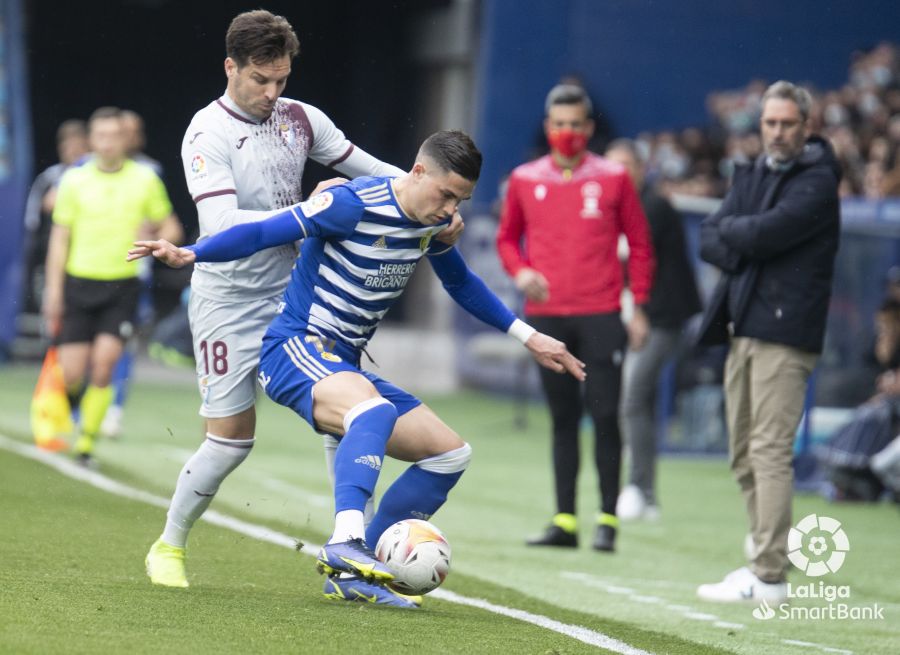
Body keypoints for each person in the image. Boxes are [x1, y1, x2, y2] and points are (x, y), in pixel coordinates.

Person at [131, 129, 585, 608]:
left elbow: (462, 284)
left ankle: (357, 571)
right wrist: (191, 253)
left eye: (462, 200)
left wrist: (529, 336)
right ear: (417, 171)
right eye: (446, 194)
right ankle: (344, 544)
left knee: (450, 454)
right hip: (295, 349)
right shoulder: (350, 204)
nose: (452, 210)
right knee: (359, 416)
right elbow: (267, 231)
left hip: (343, 365)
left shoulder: (432, 223)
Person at [142, 9, 461, 591]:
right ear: (230, 67)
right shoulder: (205, 132)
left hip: (298, 297)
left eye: (281, 80)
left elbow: (384, 173)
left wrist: (433, 201)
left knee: (349, 417)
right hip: (229, 299)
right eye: (260, 80)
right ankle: (170, 542)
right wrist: (310, 212)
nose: (272, 93)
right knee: (231, 440)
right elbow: (217, 227)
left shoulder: (302, 120)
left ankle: (351, 557)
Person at [695, 81, 841, 603]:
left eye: (787, 124)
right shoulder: (754, 171)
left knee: (770, 451)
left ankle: (770, 574)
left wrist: (741, 233)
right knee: (742, 453)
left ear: (807, 126)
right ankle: (764, 552)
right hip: (744, 328)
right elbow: (712, 236)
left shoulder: (819, 181)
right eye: (769, 123)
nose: (777, 133)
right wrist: (743, 234)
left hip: (786, 334)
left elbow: (763, 235)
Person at [496, 84, 655, 552]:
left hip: (602, 314)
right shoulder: (525, 179)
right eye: (559, 125)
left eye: (575, 125)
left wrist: (638, 306)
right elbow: (507, 239)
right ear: (549, 128)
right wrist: (521, 271)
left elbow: (640, 244)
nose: (567, 133)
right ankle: (564, 520)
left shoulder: (613, 178)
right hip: (547, 319)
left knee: (605, 414)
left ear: (589, 128)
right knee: (562, 418)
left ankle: (607, 519)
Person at [42, 106, 183, 466]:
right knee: (72, 372)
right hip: (79, 282)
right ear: (91, 140)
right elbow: (60, 238)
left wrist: (155, 240)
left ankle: (86, 442)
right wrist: (53, 291)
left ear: (126, 140)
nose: (107, 143)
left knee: (104, 365)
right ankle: (79, 409)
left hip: (122, 285)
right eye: (100, 136)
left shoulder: (145, 179)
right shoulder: (74, 180)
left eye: (114, 136)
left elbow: (171, 228)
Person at [605, 139, 702, 521]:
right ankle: (643, 494)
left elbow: (649, 266)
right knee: (631, 401)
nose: (619, 173)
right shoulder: (612, 208)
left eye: (626, 165)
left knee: (632, 398)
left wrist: (640, 313)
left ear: (642, 170)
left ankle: (639, 490)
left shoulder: (654, 207)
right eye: (611, 166)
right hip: (634, 316)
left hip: (662, 318)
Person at [22, 120, 89, 314]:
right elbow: (37, 216)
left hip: (89, 262)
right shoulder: (49, 177)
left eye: (80, 146)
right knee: (53, 316)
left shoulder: (101, 176)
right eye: (68, 146)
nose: (74, 151)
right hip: (52, 259)